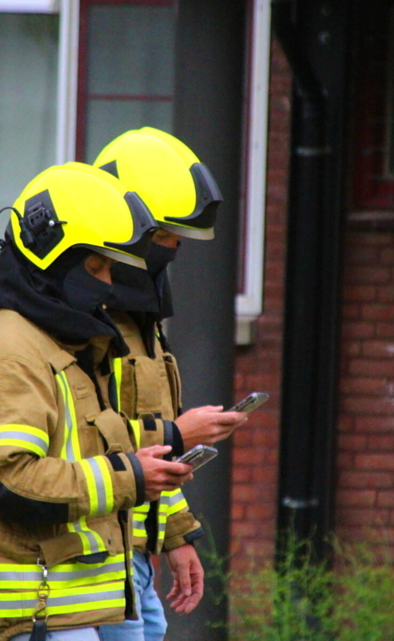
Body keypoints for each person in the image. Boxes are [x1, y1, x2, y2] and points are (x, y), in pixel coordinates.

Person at [0, 162, 197, 641]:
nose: (106, 284)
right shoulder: (9, 353)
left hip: (67, 606)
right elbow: (5, 478)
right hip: (27, 613)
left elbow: (94, 446)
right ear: (53, 259)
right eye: (95, 267)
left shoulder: (62, 343)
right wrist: (132, 476)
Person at [92, 127, 249, 641]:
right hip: (98, 557)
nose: (175, 249)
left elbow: (147, 451)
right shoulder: (87, 326)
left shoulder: (141, 321)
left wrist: (175, 534)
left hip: (133, 552)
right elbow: (93, 445)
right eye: (164, 237)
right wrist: (181, 434)